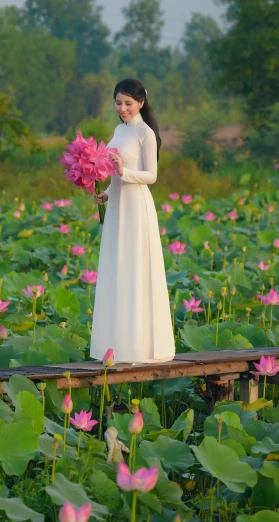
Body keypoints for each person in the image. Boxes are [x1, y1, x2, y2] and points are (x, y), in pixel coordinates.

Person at [89, 78, 175, 364]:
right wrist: (107, 193)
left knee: (135, 268)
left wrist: (124, 171)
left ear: (141, 103)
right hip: (118, 207)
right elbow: (115, 176)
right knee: (118, 267)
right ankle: (117, 345)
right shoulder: (118, 130)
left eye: (128, 103)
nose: (122, 108)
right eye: (118, 103)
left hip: (137, 207)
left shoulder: (145, 133)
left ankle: (139, 346)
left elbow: (151, 176)